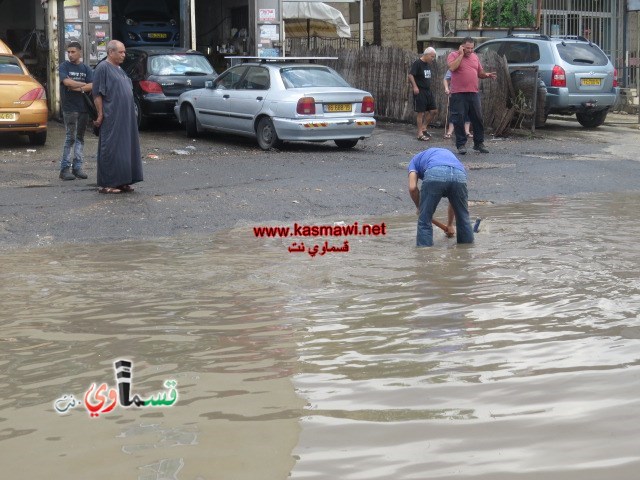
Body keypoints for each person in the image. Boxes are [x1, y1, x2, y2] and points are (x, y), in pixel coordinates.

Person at [92, 40, 142, 194]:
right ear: (111, 52)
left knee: (126, 147)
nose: (124, 55)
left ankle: (123, 181)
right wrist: (100, 114)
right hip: (112, 114)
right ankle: (108, 183)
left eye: (124, 52)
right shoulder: (103, 68)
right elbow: (97, 93)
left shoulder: (119, 69)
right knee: (111, 147)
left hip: (126, 116)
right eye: (121, 52)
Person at [408, 147, 473, 247]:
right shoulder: (446, 155)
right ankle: (467, 252)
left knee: (424, 220)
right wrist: (450, 224)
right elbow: (453, 200)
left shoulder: (414, 161)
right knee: (463, 218)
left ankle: (425, 256)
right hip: (459, 174)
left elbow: (412, 188)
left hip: (435, 173)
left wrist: (420, 208)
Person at [447, 37, 496, 155]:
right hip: (458, 93)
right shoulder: (453, 55)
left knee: (477, 118)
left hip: (473, 93)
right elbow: (452, 67)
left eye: (472, 48)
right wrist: (461, 54)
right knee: (459, 119)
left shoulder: (475, 57)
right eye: (467, 48)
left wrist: (487, 75)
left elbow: (480, 73)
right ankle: (461, 145)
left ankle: (478, 144)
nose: (470, 50)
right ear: (462, 46)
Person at [58, 41, 93, 181]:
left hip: (83, 107)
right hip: (70, 107)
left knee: (80, 138)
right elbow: (66, 82)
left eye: (73, 52)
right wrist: (84, 85)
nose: (70, 54)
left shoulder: (86, 68)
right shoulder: (64, 66)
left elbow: (93, 85)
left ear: (80, 52)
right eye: (69, 52)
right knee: (70, 137)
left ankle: (77, 168)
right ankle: (64, 169)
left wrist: (78, 87)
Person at [408, 47, 437, 141]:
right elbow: (410, 75)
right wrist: (415, 87)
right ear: (427, 54)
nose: (432, 59)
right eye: (432, 57)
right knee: (421, 112)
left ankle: (424, 128)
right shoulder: (418, 63)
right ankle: (419, 133)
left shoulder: (427, 65)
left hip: (428, 91)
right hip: (420, 91)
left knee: (433, 111)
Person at [442, 70, 472, 140]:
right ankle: (449, 132)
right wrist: (446, 88)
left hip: (468, 92)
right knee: (454, 112)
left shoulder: (468, 66)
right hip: (455, 92)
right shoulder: (453, 67)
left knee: (468, 112)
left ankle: (466, 131)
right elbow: (446, 79)